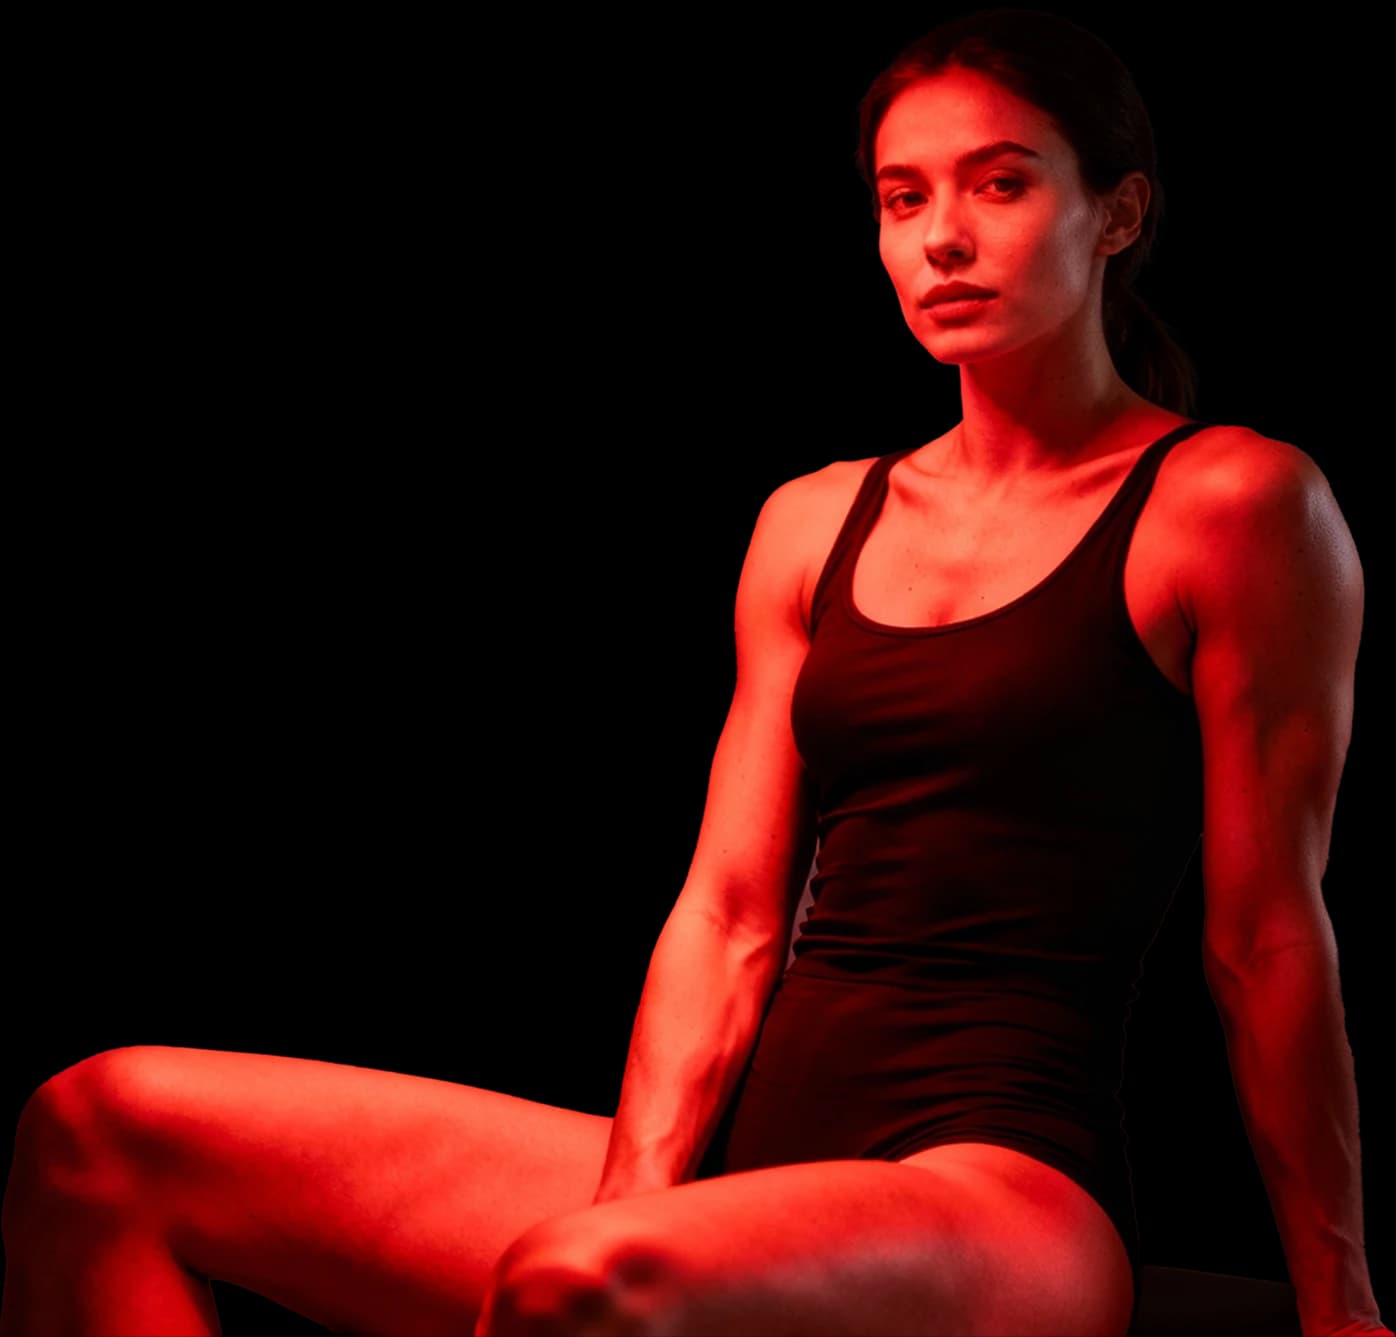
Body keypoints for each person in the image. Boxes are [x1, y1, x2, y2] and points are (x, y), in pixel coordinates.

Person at [1, 9, 1386, 1336]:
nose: (944, 238)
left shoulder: (1231, 504)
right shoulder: (813, 518)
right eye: (903, 200)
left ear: (1120, 214)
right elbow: (726, 915)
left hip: (997, 1184)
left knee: (581, 1284)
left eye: (1002, 184)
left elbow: (1264, 932)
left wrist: (1340, 1308)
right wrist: (634, 1200)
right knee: (98, 1127)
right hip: (755, 1148)